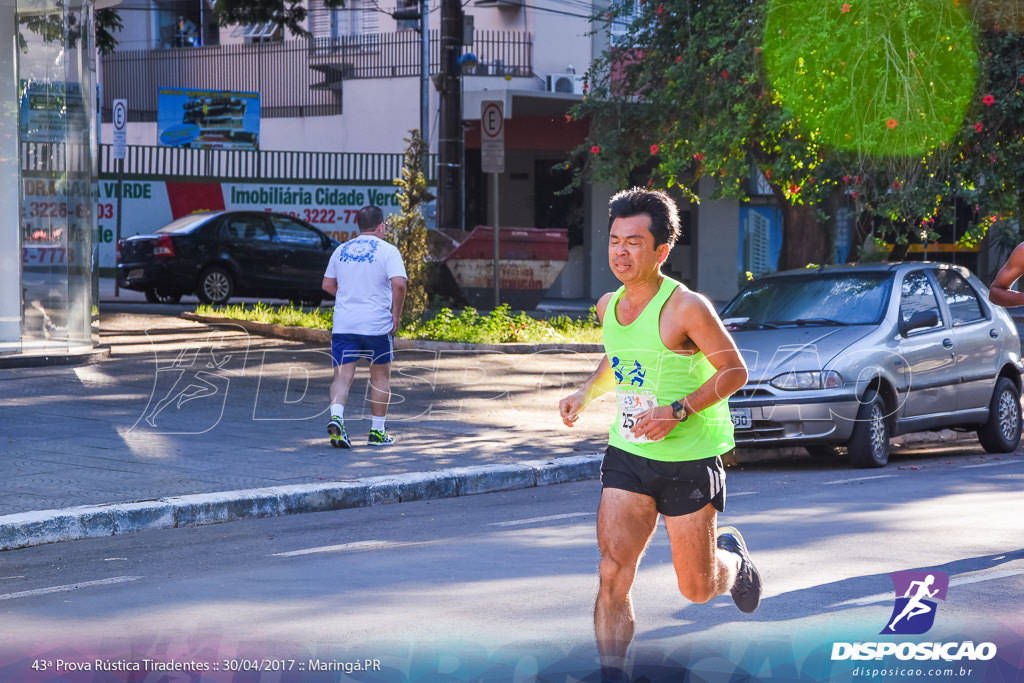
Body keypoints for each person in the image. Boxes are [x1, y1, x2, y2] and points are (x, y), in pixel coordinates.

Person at [558, 188, 761, 681]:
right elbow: (620, 361)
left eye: (634, 241)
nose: (620, 252)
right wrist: (586, 393)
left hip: (689, 457)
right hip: (628, 453)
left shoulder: (686, 307)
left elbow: (735, 372)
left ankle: (732, 562)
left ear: (661, 251)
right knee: (612, 570)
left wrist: (680, 409)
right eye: (613, 241)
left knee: (696, 587)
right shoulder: (608, 306)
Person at [322, 205, 407, 448]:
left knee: (342, 377)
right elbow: (399, 284)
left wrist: (349, 296)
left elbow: (327, 285)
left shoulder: (341, 250)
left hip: (344, 324)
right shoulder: (388, 251)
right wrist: (396, 315)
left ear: (359, 226)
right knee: (380, 377)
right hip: (376, 326)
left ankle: (337, 418)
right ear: (381, 226)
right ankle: (377, 432)